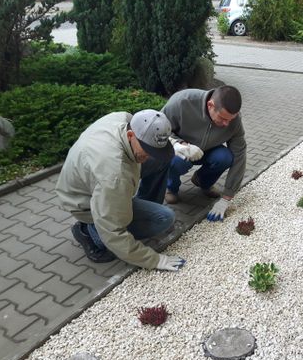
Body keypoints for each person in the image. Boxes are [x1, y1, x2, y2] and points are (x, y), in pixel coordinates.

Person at [55, 110, 186, 272]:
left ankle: (137, 211)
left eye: (153, 149)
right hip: (83, 202)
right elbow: (113, 230)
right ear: (131, 135)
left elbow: (151, 144)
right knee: (164, 218)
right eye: (146, 149)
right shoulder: (115, 174)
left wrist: (174, 144)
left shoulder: (125, 119)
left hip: (93, 181)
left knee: (161, 160)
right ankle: (88, 229)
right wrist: (153, 260)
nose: (148, 155)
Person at [161, 85, 247, 222]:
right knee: (177, 161)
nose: (226, 124)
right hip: (182, 152)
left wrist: (227, 197)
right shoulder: (182, 101)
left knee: (225, 157)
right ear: (210, 105)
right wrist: (179, 145)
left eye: (230, 119)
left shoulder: (234, 120)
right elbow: (158, 129)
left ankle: (202, 181)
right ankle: (171, 188)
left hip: (209, 151)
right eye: (223, 118)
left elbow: (240, 153)